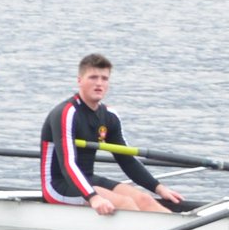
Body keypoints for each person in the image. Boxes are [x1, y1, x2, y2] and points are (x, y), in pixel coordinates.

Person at [40, 53, 182, 214]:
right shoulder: (66, 113)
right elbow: (68, 164)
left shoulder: (109, 116)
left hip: (88, 179)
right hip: (58, 186)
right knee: (124, 202)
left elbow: (126, 159)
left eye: (104, 78)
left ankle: (178, 227)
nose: (99, 83)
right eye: (93, 77)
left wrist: (158, 188)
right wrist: (93, 197)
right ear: (79, 81)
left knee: (145, 199)